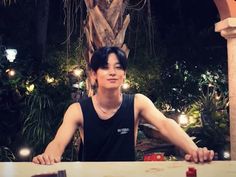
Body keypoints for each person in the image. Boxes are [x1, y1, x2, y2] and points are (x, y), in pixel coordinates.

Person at [32, 46, 214, 164]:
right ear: (94, 75)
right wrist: (49, 156)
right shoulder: (78, 110)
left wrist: (195, 150)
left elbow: (166, 125)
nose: (112, 72)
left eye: (118, 67)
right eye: (105, 67)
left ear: (124, 75)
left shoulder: (137, 102)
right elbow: (58, 142)